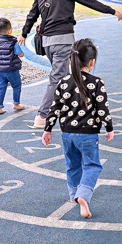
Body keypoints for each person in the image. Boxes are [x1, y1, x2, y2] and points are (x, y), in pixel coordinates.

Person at [21, 0, 122, 129]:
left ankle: (71, 106)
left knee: (66, 75)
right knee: (58, 77)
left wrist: (24, 32)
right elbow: (88, 1)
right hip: (63, 41)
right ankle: (42, 116)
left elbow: (33, 14)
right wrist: (111, 11)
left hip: (48, 43)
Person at [42, 39, 113, 219]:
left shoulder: (63, 82)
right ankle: (83, 195)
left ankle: (74, 194)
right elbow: (102, 108)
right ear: (92, 62)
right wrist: (109, 127)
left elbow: (54, 107)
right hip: (88, 135)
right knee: (92, 165)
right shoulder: (97, 82)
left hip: (67, 133)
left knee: (72, 164)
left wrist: (48, 129)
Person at [0, 17, 26, 115]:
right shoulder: (13, 41)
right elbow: (19, 53)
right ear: (10, 31)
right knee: (16, 85)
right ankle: (16, 103)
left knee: (1, 87)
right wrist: (22, 53)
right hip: (11, 69)